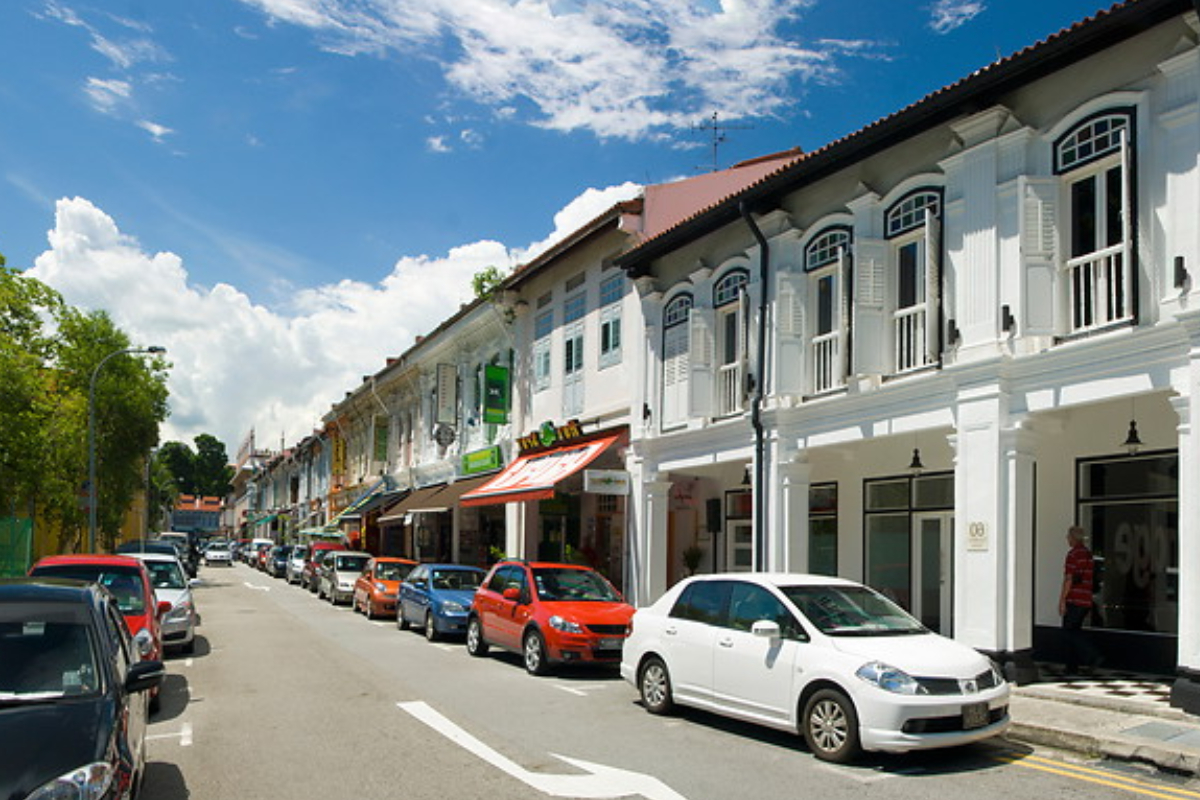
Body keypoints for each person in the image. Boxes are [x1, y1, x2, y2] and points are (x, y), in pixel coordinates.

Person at [1058, 525, 1101, 674]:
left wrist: (1062, 600)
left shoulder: (1073, 555)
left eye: (1068, 537)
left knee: (1069, 632)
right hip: (1086, 599)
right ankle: (1072, 667)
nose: (1067, 539)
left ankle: (1092, 655)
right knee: (1074, 631)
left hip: (1075, 599)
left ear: (1073, 538)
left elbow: (1069, 578)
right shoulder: (1088, 554)